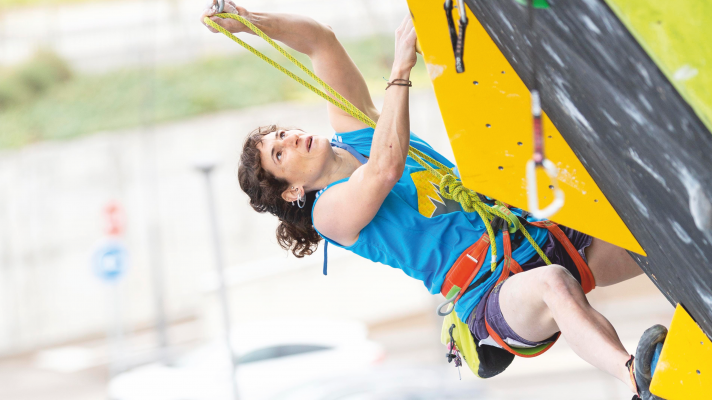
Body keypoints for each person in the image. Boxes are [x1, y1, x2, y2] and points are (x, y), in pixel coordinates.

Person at [200, 2, 651, 398]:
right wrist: (399, 70)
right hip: (488, 293)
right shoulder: (328, 216)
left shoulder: (354, 131)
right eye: (280, 153)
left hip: (527, 235)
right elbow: (384, 169)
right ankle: (635, 380)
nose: (293, 139)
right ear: (293, 191)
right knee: (552, 283)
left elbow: (320, 41)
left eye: (283, 134)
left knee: (650, 240)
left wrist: (247, 21)